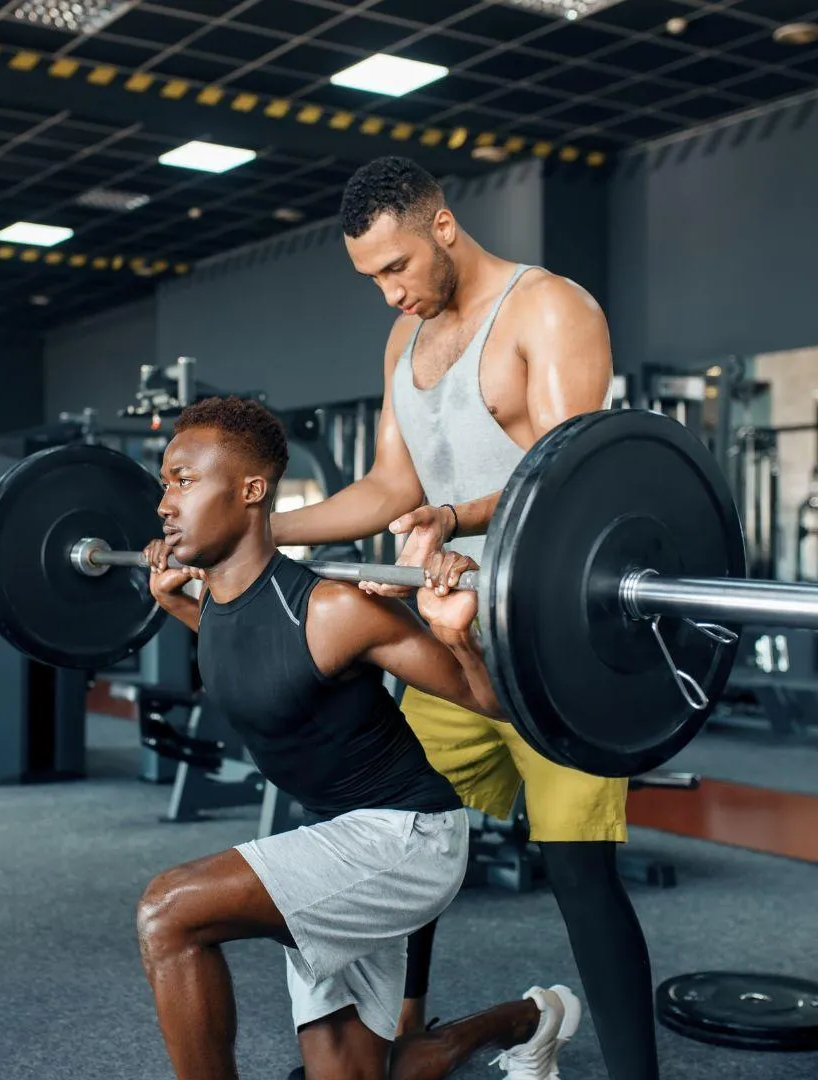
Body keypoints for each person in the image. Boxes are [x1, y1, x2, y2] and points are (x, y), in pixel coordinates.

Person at [270, 156, 658, 1080]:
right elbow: (387, 488)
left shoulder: (548, 309)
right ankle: (401, 1042)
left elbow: (569, 481)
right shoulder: (404, 344)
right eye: (372, 279)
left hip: (554, 649)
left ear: (443, 225)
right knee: (405, 840)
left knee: (578, 874)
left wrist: (452, 517)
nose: (390, 293)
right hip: (447, 643)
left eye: (397, 267)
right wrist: (252, 532)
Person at [136, 396, 581, 1080]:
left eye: (184, 479)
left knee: (169, 911)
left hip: (408, 839)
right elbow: (262, 662)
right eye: (166, 481)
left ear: (251, 490)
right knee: (353, 1074)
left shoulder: (335, 610)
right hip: (338, 837)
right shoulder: (219, 600)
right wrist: (174, 603)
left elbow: (489, 702)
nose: (166, 502)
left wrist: (455, 634)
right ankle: (527, 1020)